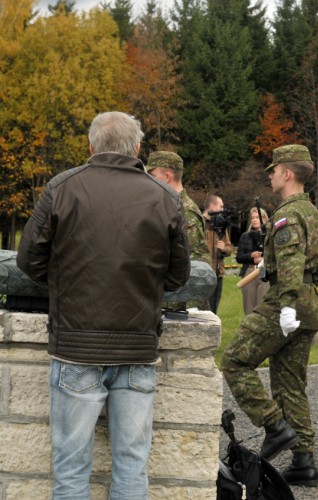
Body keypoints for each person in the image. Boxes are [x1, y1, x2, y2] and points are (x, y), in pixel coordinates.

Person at [16, 111, 190, 498]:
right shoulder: (164, 197)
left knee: (71, 467)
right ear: (138, 148)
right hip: (136, 349)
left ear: (91, 147)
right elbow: (178, 277)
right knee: (131, 465)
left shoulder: (63, 188)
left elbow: (29, 260)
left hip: (77, 347)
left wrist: (67, 281)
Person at [220, 145, 318, 487]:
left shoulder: (286, 216)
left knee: (235, 361)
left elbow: (293, 265)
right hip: (309, 301)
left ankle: (274, 425)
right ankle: (304, 460)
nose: (269, 175)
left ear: (287, 173)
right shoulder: (313, 212)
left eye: (273, 169)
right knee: (290, 382)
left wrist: (285, 305)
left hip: (288, 299)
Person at [146, 150, 212, 310]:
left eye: (152, 176)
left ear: (167, 177)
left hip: (180, 306)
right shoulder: (170, 206)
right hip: (168, 301)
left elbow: (199, 263)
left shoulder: (185, 210)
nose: (148, 181)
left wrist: (193, 307)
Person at [237, 206, 271, 315]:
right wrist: (251, 255)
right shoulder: (245, 236)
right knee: (249, 307)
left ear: (264, 219)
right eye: (253, 218)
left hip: (263, 271)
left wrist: (264, 258)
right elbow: (239, 257)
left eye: (257, 217)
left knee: (262, 306)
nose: (255, 220)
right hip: (249, 271)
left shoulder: (270, 235)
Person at [203, 194, 233, 313]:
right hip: (203, 273)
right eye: (221, 206)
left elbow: (229, 248)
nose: (222, 210)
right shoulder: (200, 223)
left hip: (217, 274)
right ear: (212, 206)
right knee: (200, 309)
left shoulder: (221, 225)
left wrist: (224, 249)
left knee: (214, 308)